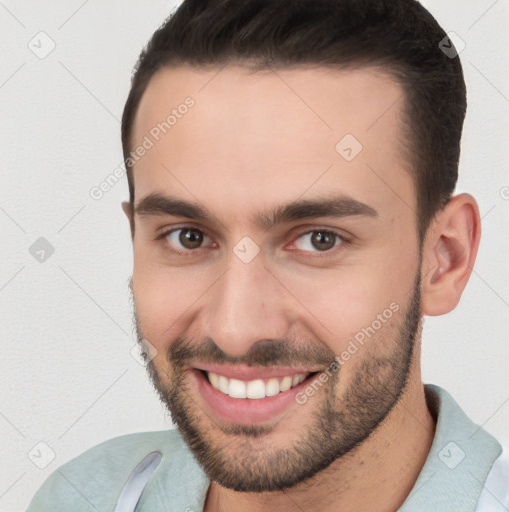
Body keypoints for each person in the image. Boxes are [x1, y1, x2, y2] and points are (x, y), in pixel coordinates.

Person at [27, 0, 508, 510]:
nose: (235, 330)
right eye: (188, 236)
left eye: (319, 239)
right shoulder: (80, 497)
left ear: (444, 259)